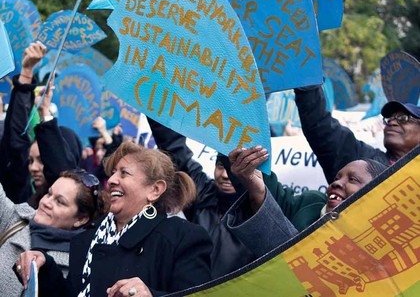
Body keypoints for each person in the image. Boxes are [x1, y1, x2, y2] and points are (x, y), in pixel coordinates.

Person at [17, 142, 212, 297]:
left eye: (124, 173)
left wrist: (150, 295)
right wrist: (44, 267)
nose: (111, 181)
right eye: (112, 173)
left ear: (155, 190)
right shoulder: (87, 240)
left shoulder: (182, 238)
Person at [147, 119, 300, 278]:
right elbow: (174, 147)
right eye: (221, 167)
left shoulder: (261, 212)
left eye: (233, 171)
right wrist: (153, 99)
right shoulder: (202, 195)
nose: (226, 175)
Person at [224, 146, 388, 257]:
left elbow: (297, 262)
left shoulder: (377, 246)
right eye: (337, 177)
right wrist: (239, 153)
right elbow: (272, 198)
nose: (337, 183)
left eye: (352, 179)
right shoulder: (311, 203)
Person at [0, 42, 82, 207]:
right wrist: (26, 73)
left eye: (42, 160)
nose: (34, 168)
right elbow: (15, 144)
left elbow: (62, 169)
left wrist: (46, 115)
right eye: (30, 160)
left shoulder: (78, 205)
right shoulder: (23, 199)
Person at [0, 169, 106, 297]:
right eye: (49, 194)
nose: (46, 202)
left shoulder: (79, 269)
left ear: (80, 219)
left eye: (60, 202)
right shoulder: (16, 219)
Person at [294, 85, 420, 184]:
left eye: (403, 118)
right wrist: (307, 83)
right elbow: (321, 127)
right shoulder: (363, 158)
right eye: (388, 119)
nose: (392, 122)